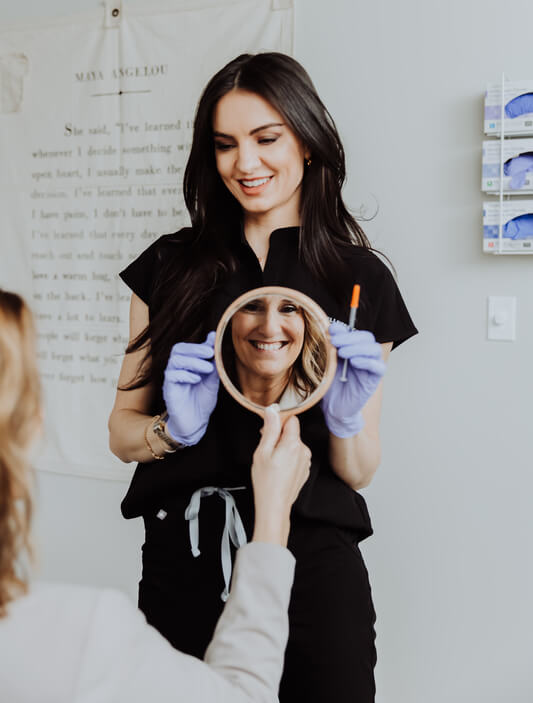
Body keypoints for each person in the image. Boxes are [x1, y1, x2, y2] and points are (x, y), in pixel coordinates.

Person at [109, 52, 418, 703]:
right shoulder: (167, 267)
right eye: (224, 145)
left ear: (305, 140)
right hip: (183, 555)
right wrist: (172, 428)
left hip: (314, 562)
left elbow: (357, 470)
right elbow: (121, 430)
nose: (244, 163)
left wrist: (343, 417)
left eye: (264, 138)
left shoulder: (359, 280)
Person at [0, 289, 312, 703]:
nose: (269, 325)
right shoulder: (80, 639)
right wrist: (273, 516)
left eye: (288, 308)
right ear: (31, 426)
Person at [225, 293, 328, 408]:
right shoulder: (206, 396)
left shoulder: (327, 405)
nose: (269, 330)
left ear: (306, 324)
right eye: (252, 307)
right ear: (230, 320)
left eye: (288, 309)